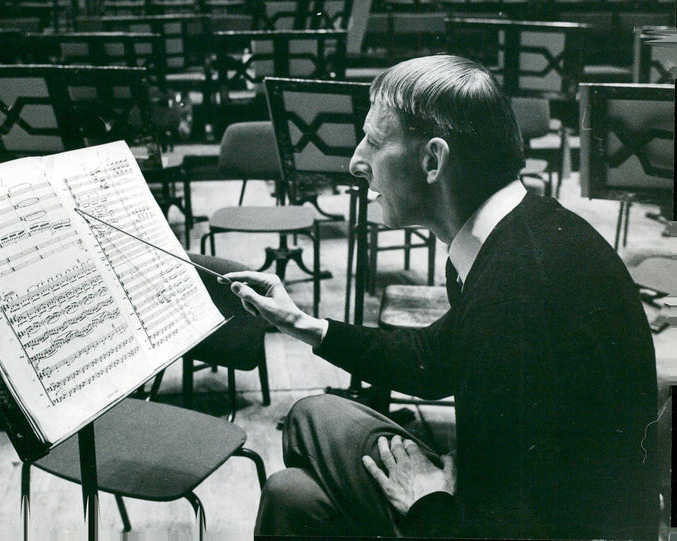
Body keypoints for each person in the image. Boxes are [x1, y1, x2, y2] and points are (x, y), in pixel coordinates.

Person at [223, 55, 658, 539]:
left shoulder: (516, 297)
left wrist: (427, 501)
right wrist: (302, 323)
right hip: (513, 498)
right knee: (299, 462)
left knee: (299, 468)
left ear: (433, 160)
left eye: (375, 141)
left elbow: (514, 527)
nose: (355, 163)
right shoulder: (516, 234)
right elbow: (433, 360)